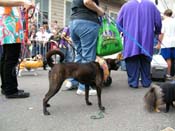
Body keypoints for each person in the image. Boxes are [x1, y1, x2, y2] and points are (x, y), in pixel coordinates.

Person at [116, 0, 162, 88]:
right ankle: (146, 82)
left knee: (132, 58)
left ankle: (133, 82)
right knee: (145, 59)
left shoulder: (126, 6)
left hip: (131, 38)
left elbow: (118, 23)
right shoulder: (151, 6)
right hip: (147, 38)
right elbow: (158, 21)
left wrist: (121, 32)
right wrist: (157, 31)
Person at [65, 0, 105, 95]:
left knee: (79, 55)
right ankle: (83, 88)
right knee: (88, 57)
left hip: (74, 22)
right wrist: (100, 11)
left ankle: (73, 82)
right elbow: (87, 2)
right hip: (87, 22)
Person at [0, 0, 33, 98]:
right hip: (10, 25)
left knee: (6, 58)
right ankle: (11, 90)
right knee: (11, 58)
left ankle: (6, 87)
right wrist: (22, 2)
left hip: (9, 24)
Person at [156, 9, 175, 80]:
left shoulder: (164, 22)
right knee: (173, 59)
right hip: (173, 42)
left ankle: (168, 74)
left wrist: (159, 44)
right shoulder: (174, 21)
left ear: (164, 14)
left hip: (166, 43)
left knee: (168, 59)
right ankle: (172, 74)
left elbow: (161, 34)